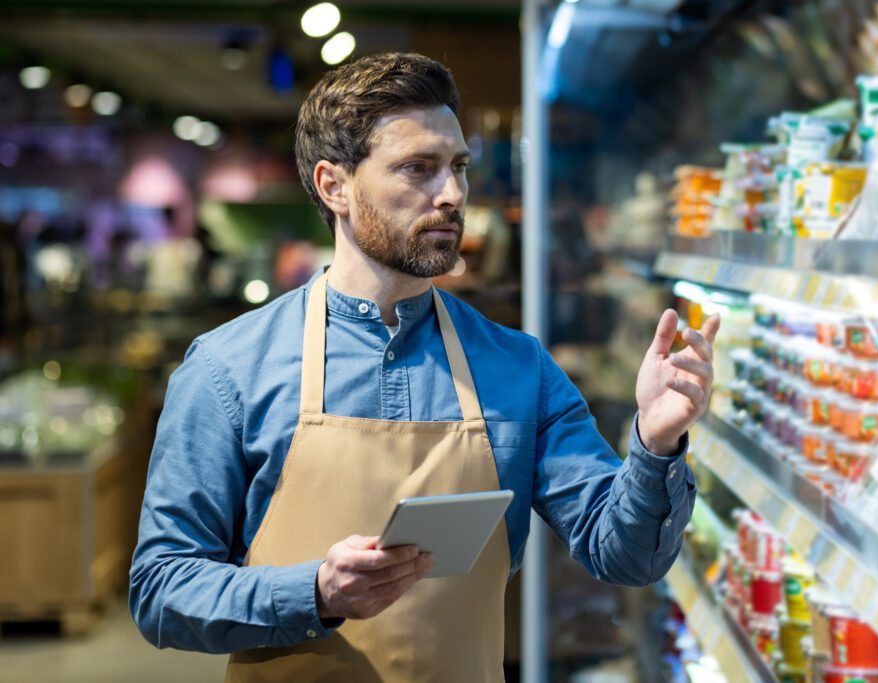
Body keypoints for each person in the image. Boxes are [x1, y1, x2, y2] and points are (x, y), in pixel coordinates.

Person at [129, 52, 719, 683]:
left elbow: (625, 556)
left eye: (459, 168)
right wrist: (316, 593)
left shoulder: (517, 367)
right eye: (419, 168)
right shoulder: (229, 368)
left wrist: (656, 446)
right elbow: (162, 588)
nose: (453, 195)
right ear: (335, 187)